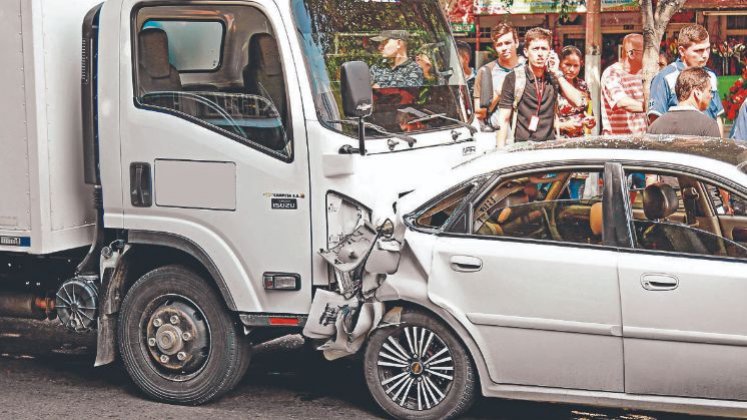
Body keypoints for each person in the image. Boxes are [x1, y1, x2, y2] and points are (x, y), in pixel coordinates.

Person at [495, 28, 585, 146]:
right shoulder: (514, 78)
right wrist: (501, 151)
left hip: (548, 148)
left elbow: (578, 102)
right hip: (522, 147)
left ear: (550, 52)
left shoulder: (554, 77)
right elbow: (503, 119)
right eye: (535, 49)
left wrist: (557, 73)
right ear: (526, 52)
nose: (540, 54)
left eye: (544, 49)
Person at [648, 23, 724, 136]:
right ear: (682, 51)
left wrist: (719, 146)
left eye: (707, 49)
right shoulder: (665, 77)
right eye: (698, 50)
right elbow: (656, 122)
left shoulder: (710, 76)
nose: (705, 55)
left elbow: (717, 116)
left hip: (709, 146)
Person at [473, 23, 525, 132]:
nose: (504, 48)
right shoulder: (486, 72)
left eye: (507, 43)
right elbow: (479, 113)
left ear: (516, 43)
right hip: (498, 133)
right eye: (499, 44)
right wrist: (499, 91)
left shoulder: (528, 67)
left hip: (526, 133)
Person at [647, 67, 720, 137]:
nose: (711, 96)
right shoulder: (708, 126)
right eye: (710, 91)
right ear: (697, 93)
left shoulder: (654, 127)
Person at [600, 34, 647, 135]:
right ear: (631, 54)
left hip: (641, 143)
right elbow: (621, 102)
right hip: (618, 145)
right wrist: (651, 108)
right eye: (645, 52)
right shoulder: (612, 73)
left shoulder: (644, 74)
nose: (649, 56)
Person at [555, 46, 595, 138]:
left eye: (576, 65)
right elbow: (543, 121)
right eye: (567, 64)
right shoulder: (552, 86)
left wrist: (591, 121)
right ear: (560, 64)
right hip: (559, 140)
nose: (572, 70)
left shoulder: (582, 85)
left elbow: (589, 112)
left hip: (581, 140)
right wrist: (563, 125)